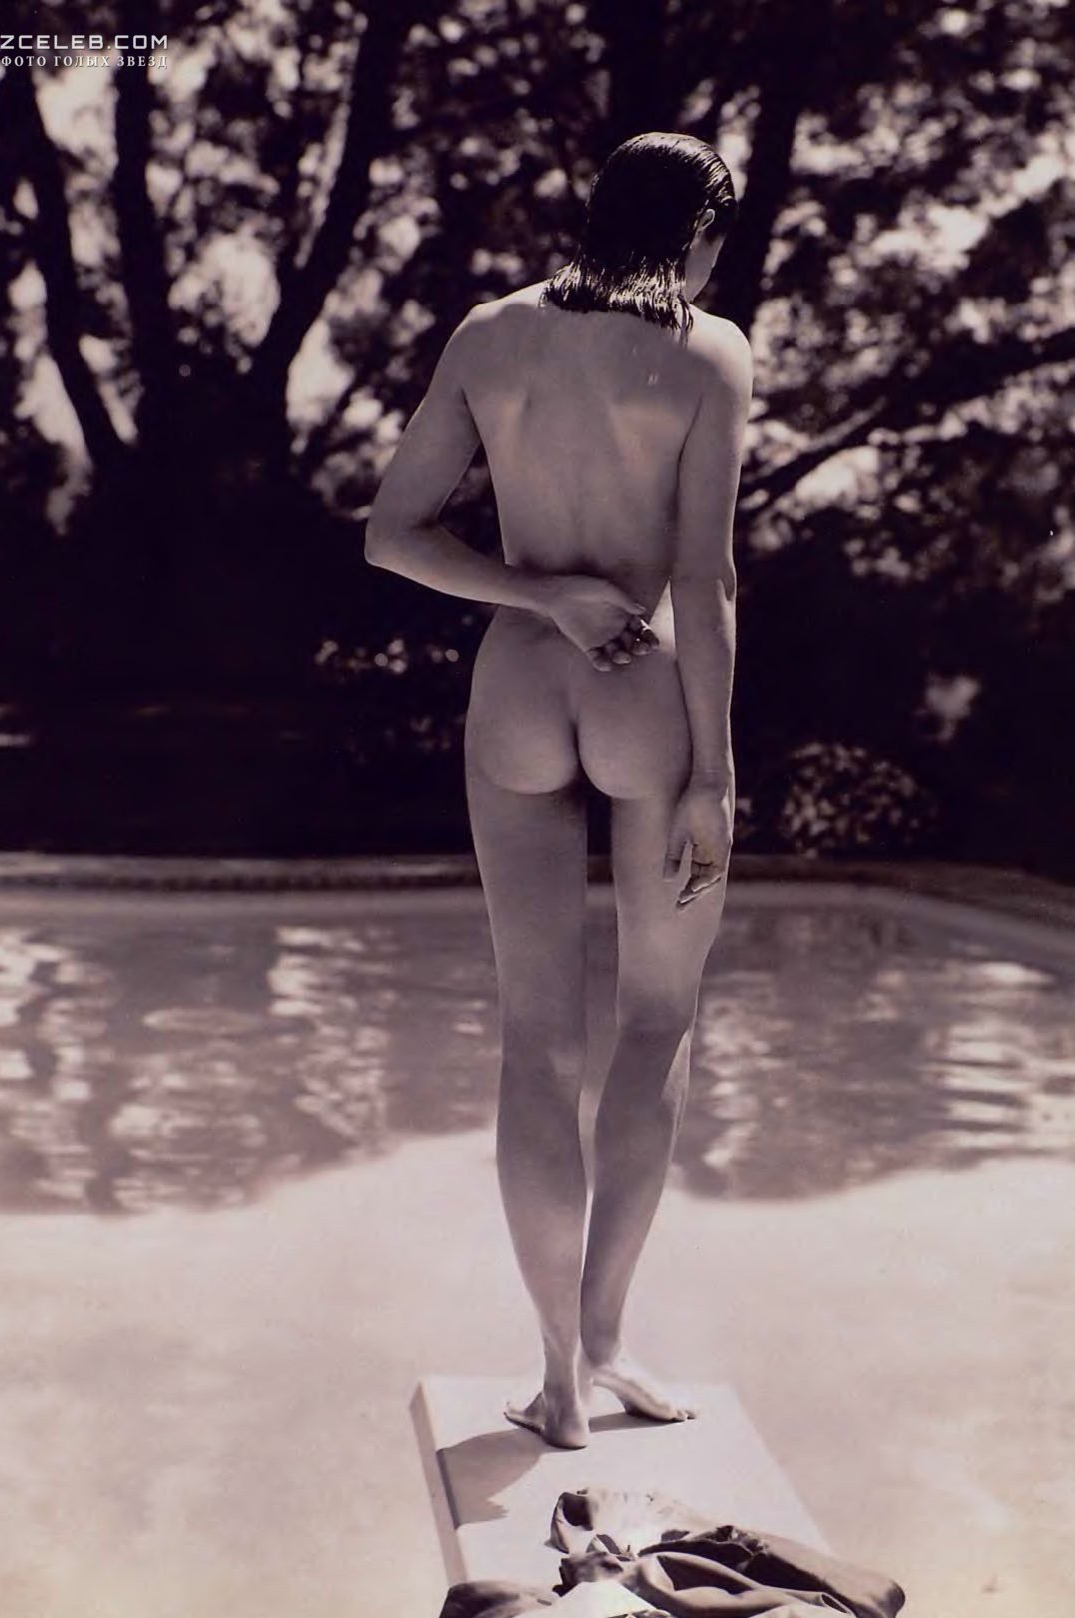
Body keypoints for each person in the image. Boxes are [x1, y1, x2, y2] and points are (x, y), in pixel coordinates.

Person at [366, 132, 753, 1449]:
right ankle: (603, 1338)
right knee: (656, 1021)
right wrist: (712, 773)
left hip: (521, 683)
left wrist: (542, 593)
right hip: (649, 689)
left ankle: (556, 1383)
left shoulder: (491, 335)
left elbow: (392, 534)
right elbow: (702, 580)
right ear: (699, 237)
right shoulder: (707, 353)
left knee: (536, 1038)